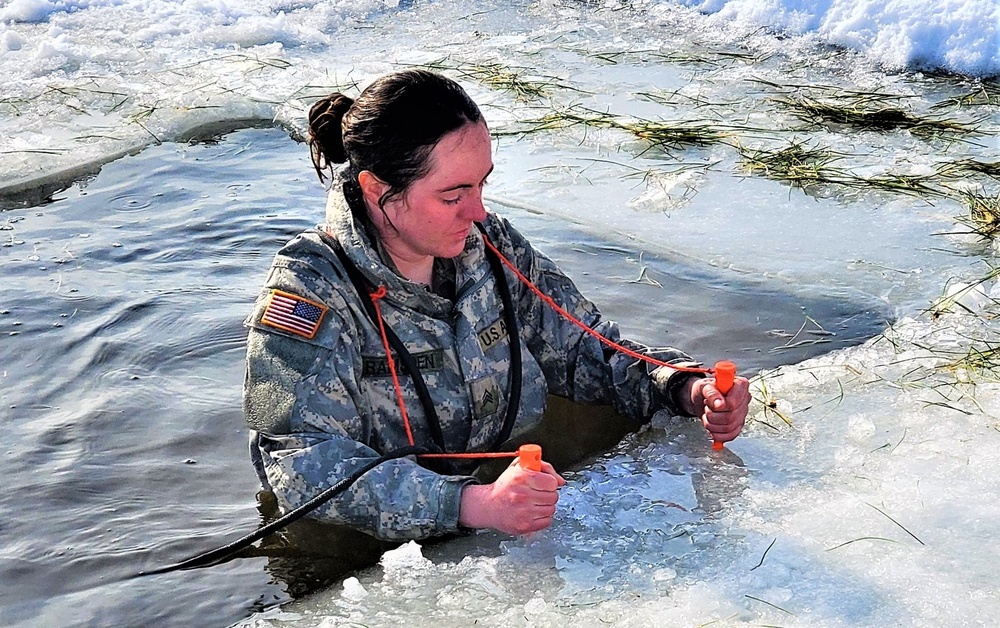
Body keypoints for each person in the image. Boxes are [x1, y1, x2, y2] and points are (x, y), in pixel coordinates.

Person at [242, 69, 750, 542]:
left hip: (508, 492)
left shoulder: (491, 245)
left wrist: (683, 387)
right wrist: (471, 504)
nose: (479, 210)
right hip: (379, 548)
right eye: (452, 194)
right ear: (377, 190)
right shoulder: (308, 291)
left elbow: (581, 345)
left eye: (482, 183)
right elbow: (299, 463)